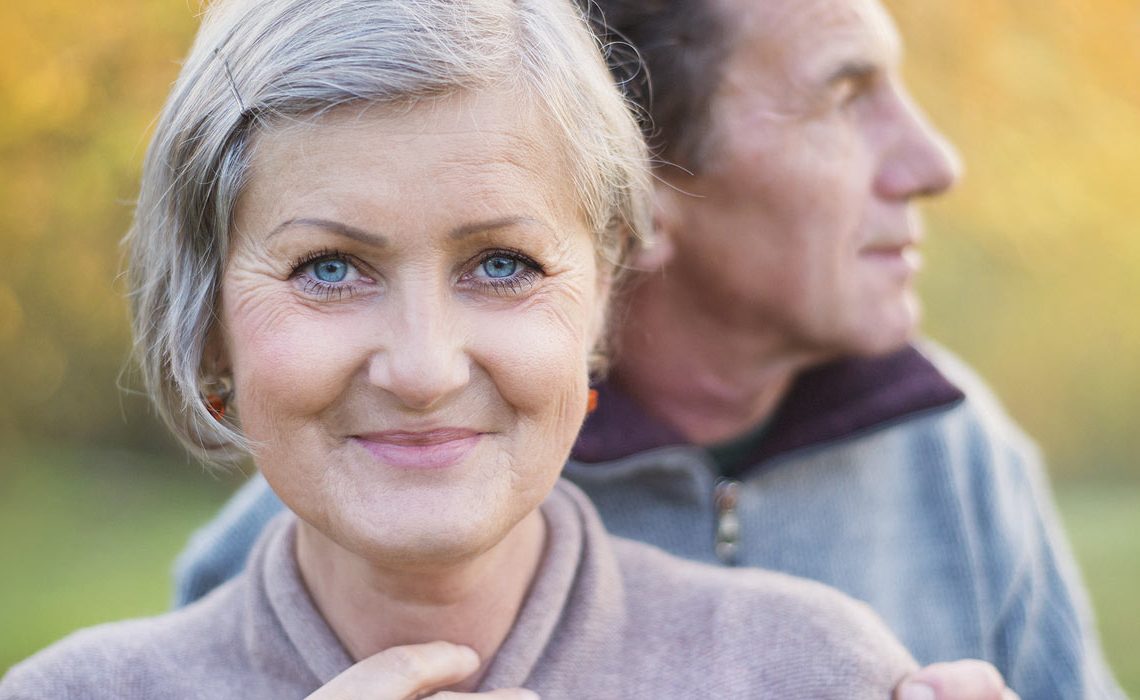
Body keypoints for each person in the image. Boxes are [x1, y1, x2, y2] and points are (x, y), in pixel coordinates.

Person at [164, 0, 1129, 698]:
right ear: (646, 185)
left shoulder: (953, 451)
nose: (934, 161)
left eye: (498, 264)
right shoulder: (360, 498)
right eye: (844, 95)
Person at [0, 0, 931, 696]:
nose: (426, 369)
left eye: (504, 265)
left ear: (599, 303)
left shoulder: (813, 672)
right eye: (331, 269)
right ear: (209, 323)